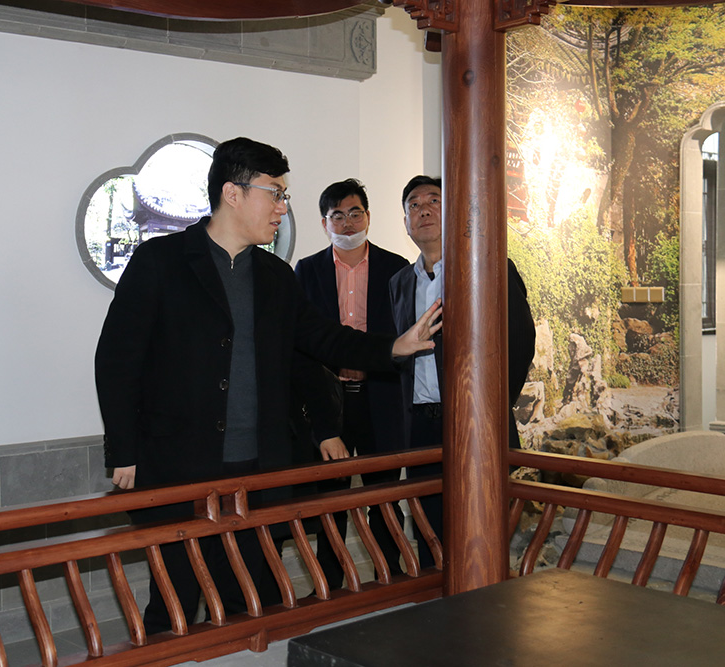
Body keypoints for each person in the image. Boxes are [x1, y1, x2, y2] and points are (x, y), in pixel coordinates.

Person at [94, 138, 441, 634]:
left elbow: (323, 340)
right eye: (275, 193)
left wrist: (393, 347)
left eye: (284, 196)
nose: (282, 207)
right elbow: (117, 360)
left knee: (250, 601)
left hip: (259, 469)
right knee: (175, 603)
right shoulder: (161, 261)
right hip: (179, 463)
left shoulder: (276, 276)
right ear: (233, 193)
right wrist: (123, 450)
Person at [389, 175, 535, 568]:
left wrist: (491, 405)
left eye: (433, 201)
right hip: (421, 428)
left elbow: (521, 341)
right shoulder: (399, 283)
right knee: (427, 528)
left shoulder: (488, 266)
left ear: (452, 211)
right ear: (405, 222)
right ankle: (433, 601)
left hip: (475, 421)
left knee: (479, 530)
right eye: (414, 205)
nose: (423, 210)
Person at [294, 178, 410, 589]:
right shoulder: (307, 270)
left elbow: (402, 332)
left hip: (382, 397)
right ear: (324, 223)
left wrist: (370, 363)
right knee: (330, 498)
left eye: (354, 213)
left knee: (385, 493)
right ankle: (328, 582)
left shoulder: (396, 267)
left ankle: (390, 574)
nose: (347, 223)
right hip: (330, 401)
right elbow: (302, 339)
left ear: (368, 217)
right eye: (337, 216)